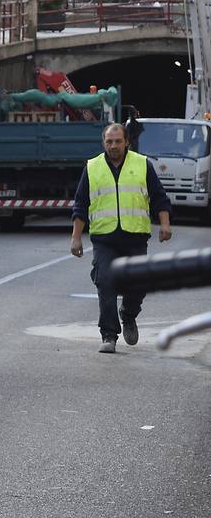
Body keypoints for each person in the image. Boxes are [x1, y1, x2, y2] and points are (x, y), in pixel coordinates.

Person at [70, 122, 173, 353]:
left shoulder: (142, 164)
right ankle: (109, 335)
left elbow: (159, 197)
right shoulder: (93, 167)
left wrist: (165, 224)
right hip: (104, 238)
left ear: (127, 142)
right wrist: (76, 237)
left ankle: (128, 315)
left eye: (117, 141)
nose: (113, 145)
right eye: (109, 141)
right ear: (103, 143)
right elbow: (80, 204)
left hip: (134, 237)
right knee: (105, 281)